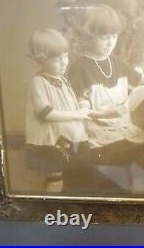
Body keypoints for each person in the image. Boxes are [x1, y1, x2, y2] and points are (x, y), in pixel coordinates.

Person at [68, 5, 144, 193]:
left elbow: (140, 78)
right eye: (104, 37)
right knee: (119, 155)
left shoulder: (115, 61)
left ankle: (137, 185)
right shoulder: (80, 69)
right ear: (89, 36)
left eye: (114, 36)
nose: (110, 43)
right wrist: (108, 113)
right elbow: (80, 112)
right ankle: (122, 190)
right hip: (97, 135)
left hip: (123, 128)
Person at [25, 28, 91, 193]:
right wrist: (77, 114)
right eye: (57, 59)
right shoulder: (38, 82)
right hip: (52, 139)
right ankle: (51, 207)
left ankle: (67, 204)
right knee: (55, 177)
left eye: (65, 56)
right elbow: (46, 113)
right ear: (41, 59)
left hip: (68, 136)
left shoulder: (63, 80)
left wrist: (83, 105)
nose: (64, 62)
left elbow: (72, 102)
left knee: (72, 175)